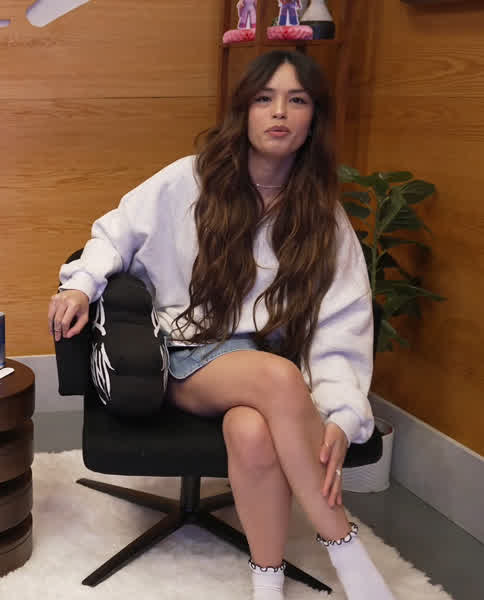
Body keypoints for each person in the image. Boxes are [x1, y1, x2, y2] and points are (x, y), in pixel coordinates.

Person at [47, 50, 395, 600]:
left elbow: (341, 323)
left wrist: (342, 412)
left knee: (251, 433)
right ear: (244, 111)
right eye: (264, 98)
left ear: (313, 120)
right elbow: (116, 232)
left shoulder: (322, 215)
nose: (279, 112)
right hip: (187, 352)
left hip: (263, 364)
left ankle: (267, 583)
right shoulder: (191, 179)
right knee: (278, 379)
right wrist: (81, 284)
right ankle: (348, 555)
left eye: (297, 100)